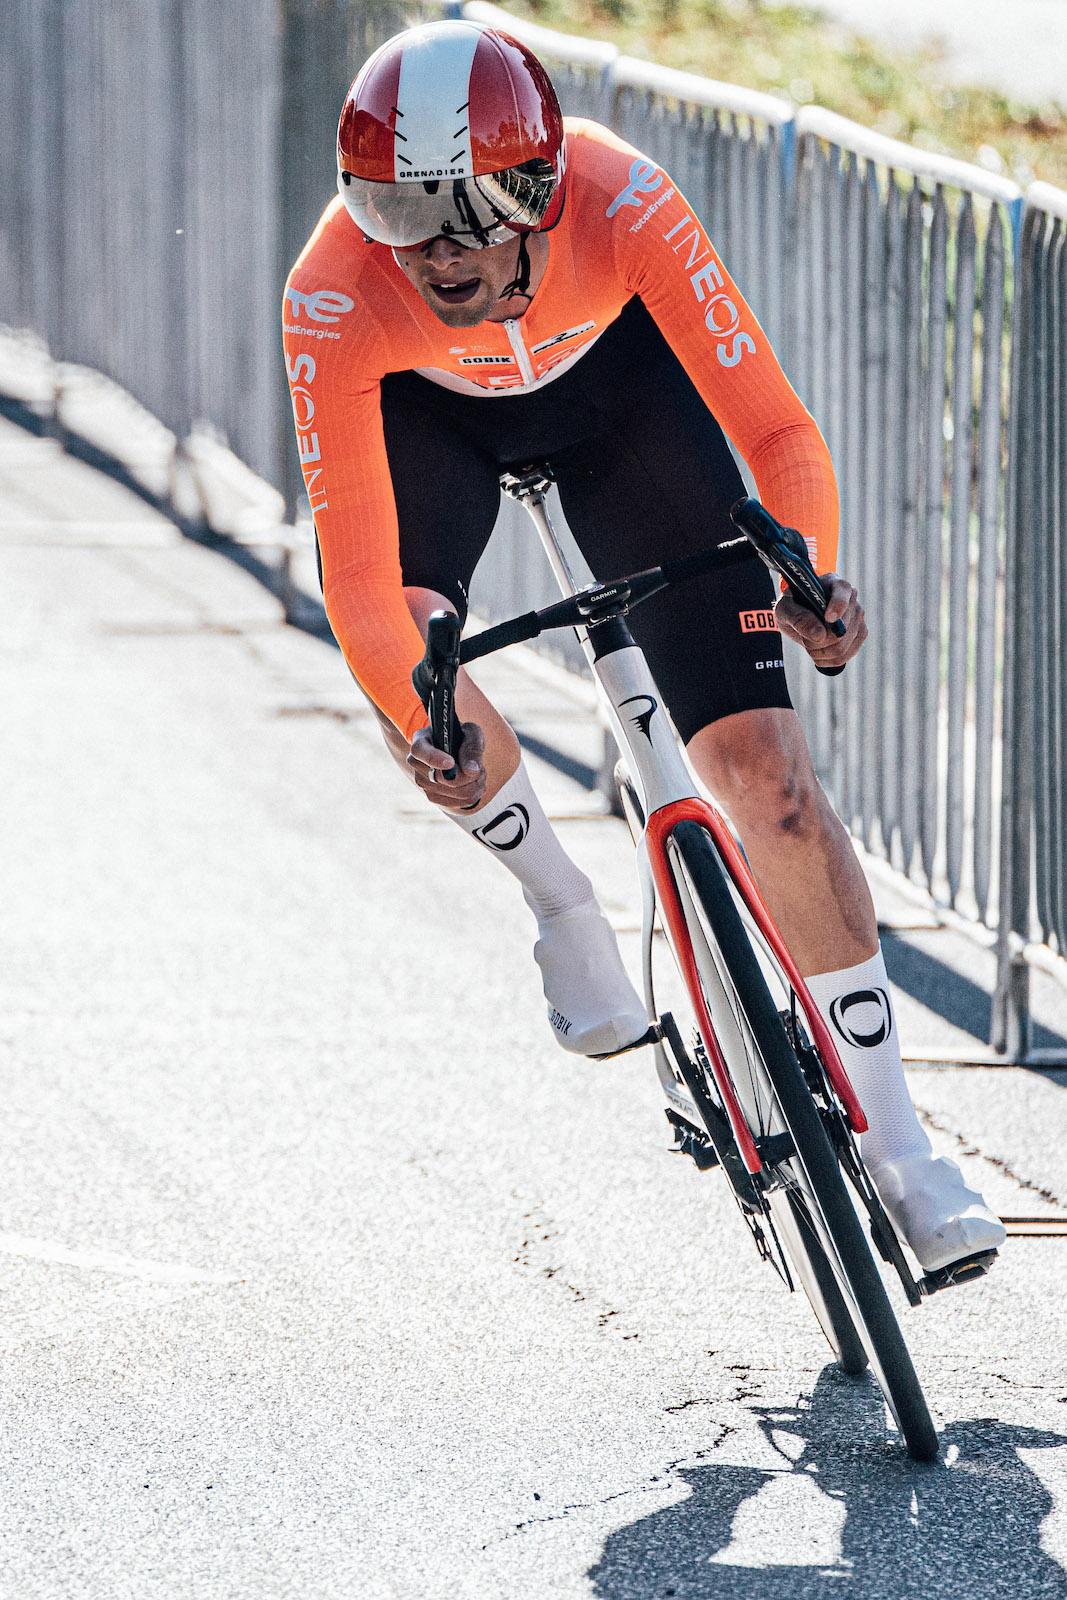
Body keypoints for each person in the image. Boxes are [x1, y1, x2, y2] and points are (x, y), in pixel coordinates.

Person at [282, 18, 1004, 1275]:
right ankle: (561, 903)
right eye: (396, 212)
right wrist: (426, 722)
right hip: (430, 424)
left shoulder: (623, 198)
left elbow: (775, 435)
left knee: (769, 783)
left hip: (616, 402)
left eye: (465, 212)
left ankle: (901, 1151)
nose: (433, 252)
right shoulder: (335, 289)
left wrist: (808, 577)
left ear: (536, 192)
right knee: (422, 663)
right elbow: (356, 583)